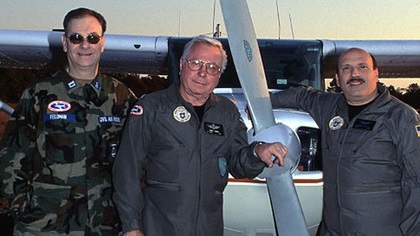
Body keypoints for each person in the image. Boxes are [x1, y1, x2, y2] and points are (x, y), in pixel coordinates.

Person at [112, 35, 288, 236]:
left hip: (208, 228)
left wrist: (257, 151)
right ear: (181, 65)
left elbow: (239, 165)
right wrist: (132, 226)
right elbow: (127, 169)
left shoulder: (227, 113)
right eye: (196, 63)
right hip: (159, 226)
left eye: (212, 67)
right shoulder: (151, 108)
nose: (203, 73)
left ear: (219, 75)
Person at [0, 7, 136, 235]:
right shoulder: (39, 94)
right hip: (45, 225)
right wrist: (22, 207)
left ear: (102, 43)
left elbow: (140, 154)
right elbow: (12, 155)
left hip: (103, 223)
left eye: (92, 38)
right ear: (65, 43)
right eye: (76, 38)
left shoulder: (121, 96)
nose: (85, 45)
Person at [271, 47, 420, 235]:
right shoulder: (328, 106)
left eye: (362, 67)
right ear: (338, 79)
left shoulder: (401, 117)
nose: (354, 74)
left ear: (376, 74)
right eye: (346, 68)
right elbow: (302, 96)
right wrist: (262, 103)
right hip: (334, 229)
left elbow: (416, 182)